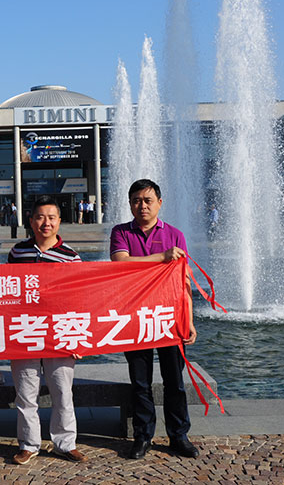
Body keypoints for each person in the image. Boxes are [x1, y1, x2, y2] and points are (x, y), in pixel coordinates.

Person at [110, 179, 198, 460]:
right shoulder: (121, 232)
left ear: (160, 203)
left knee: (175, 381)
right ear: (130, 204)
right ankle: (143, 436)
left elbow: (184, 281)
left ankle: (179, 435)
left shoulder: (175, 235)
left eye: (148, 200)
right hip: (135, 316)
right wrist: (162, 257)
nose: (142, 206)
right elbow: (120, 262)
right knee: (140, 381)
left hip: (169, 316)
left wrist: (189, 320)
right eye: (136, 200)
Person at [7, 195, 86, 465]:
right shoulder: (18, 252)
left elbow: (79, 299)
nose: (46, 223)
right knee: (26, 393)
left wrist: (77, 338)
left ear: (59, 221)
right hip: (24, 331)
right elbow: (6, 291)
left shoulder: (71, 257)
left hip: (60, 332)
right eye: (40, 217)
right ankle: (29, 444)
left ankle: (66, 443)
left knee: (62, 392)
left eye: (51, 217)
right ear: (31, 221)